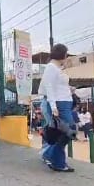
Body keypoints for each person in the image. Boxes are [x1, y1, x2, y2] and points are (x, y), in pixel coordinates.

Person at [39, 43, 76, 172]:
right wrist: (53, 106)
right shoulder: (51, 68)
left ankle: (55, 159)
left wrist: (69, 89)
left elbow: (56, 86)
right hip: (60, 104)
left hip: (64, 102)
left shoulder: (56, 68)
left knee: (65, 132)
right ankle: (53, 157)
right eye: (66, 54)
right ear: (62, 55)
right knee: (68, 130)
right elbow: (49, 87)